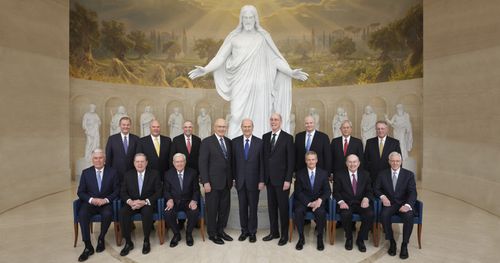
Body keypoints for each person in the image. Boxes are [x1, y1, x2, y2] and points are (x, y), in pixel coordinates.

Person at [188, 5, 308, 138]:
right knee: (236, 115)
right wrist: (205, 69)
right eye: (245, 17)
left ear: (255, 19)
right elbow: (220, 57)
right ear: (241, 19)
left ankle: (260, 147)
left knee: (261, 115)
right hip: (240, 84)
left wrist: (290, 72)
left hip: (261, 86)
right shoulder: (234, 37)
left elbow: (275, 59)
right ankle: (235, 147)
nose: (248, 20)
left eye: (251, 17)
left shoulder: (262, 38)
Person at [76, 149, 119, 262]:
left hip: (105, 203)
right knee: (82, 214)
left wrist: (106, 200)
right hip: (90, 203)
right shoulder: (86, 173)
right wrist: (91, 199)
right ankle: (87, 245)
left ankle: (101, 238)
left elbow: (116, 190)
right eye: (96, 158)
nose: (98, 160)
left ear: (104, 159)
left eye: (100, 158)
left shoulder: (112, 172)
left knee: (108, 213)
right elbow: (80, 192)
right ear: (92, 160)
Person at [375, 152, 417, 259]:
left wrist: (407, 205)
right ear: (389, 162)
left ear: (401, 162)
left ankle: (404, 245)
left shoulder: (409, 175)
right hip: (390, 204)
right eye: (392, 161)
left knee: (409, 216)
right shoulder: (382, 174)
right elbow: (376, 188)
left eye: (397, 161)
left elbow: (413, 193)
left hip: (404, 203)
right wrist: (383, 197)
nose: (395, 163)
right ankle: (392, 242)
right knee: (384, 215)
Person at [119, 153, 162, 256]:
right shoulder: (128, 174)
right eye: (137, 161)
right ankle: (128, 242)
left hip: (146, 203)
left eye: (142, 161)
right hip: (132, 203)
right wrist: (130, 201)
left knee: (147, 212)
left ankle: (146, 241)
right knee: (123, 212)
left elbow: (159, 192)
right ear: (134, 163)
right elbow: (123, 192)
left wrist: (145, 201)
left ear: (146, 163)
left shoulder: (154, 174)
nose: (140, 164)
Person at [198, 118, 233, 245]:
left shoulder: (229, 142)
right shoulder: (207, 142)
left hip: (226, 183)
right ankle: (212, 234)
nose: (222, 129)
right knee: (212, 210)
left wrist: (232, 179)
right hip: (211, 184)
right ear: (214, 127)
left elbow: (230, 163)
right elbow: (202, 163)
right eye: (219, 126)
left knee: (224, 209)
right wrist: (205, 181)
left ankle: (221, 231)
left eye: (224, 127)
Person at [262, 113, 294, 246]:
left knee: (283, 208)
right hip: (269, 180)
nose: (273, 121)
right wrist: (263, 179)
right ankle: (273, 232)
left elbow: (290, 161)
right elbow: (264, 159)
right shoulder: (265, 137)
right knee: (272, 208)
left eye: (276, 119)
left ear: (280, 121)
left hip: (282, 181)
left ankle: (284, 235)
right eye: (271, 119)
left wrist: (288, 180)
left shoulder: (288, 138)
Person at [231, 119, 264, 243]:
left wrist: (261, 180)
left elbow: (262, 164)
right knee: (242, 207)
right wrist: (233, 178)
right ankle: (244, 231)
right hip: (240, 181)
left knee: (253, 208)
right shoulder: (235, 142)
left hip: (254, 182)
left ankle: (252, 232)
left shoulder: (260, 143)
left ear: (253, 127)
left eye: (249, 126)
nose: (247, 129)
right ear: (241, 127)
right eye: (244, 126)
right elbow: (233, 163)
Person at [333, 154, 374, 252]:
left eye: (355, 162)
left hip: (361, 202)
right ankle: (349, 238)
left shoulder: (366, 174)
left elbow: (369, 190)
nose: (352, 164)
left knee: (370, 214)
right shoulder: (339, 174)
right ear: (346, 163)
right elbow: (336, 192)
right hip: (346, 203)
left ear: (359, 163)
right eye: (350, 162)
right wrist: (341, 202)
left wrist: (366, 199)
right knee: (345, 214)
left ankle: (360, 239)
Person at [293, 151, 331, 251]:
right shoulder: (300, 173)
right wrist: (309, 203)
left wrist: (320, 200)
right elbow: (298, 192)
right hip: (304, 201)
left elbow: (327, 191)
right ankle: (301, 238)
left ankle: (319, 238)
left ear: (317, 160)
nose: (311, 162)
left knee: (321, 212)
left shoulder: (323, 173)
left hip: (318, 201)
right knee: (298, 211)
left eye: (313, 159)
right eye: (309, 160)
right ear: (305, 161)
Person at [164, 153, 200, 247]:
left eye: (181, 161)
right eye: (177, 162)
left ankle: (188, 233)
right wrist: (169, 199)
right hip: (174, 202)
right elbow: (166, 191)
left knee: (194, 211)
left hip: (188, 201)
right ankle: (176, 234)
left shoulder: (192, 172)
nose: (179, 164)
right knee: (167, 213)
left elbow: (196, 190)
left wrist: (194, 200)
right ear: (173, 163)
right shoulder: (168, 174)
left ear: (185, 162)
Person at [105, 116, 139, 183]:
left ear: (130, 126)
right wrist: (108, 172)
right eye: (123, 125)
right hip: (116, 172)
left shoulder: (136, 139)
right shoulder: (112, 139)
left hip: (132, 172)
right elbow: (108, 157)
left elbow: (138, 156)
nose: (125, 127)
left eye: (128, 125)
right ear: (120, 125)